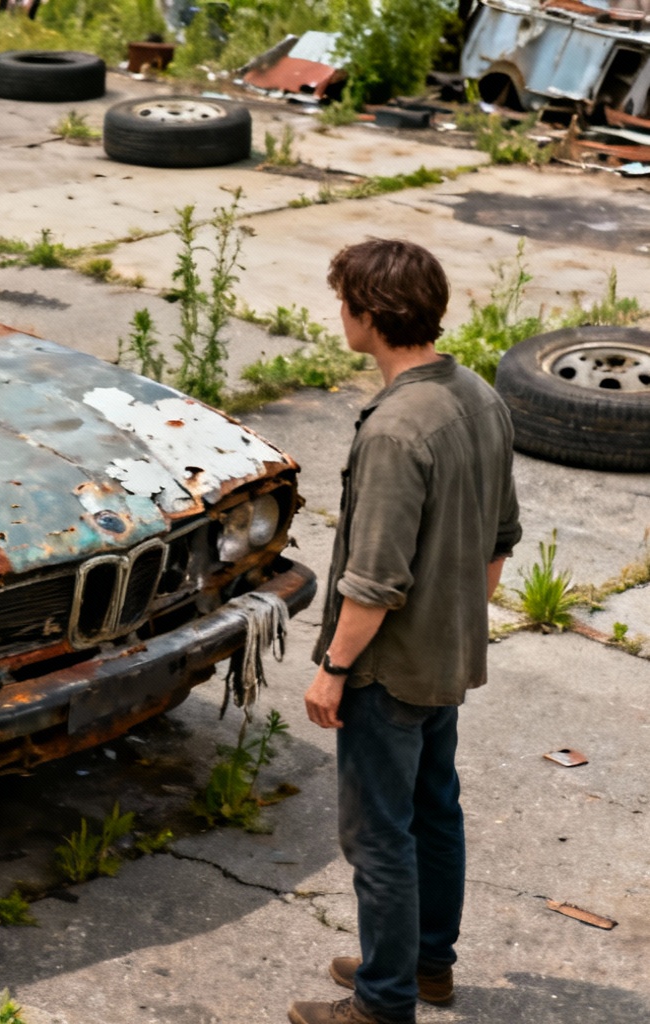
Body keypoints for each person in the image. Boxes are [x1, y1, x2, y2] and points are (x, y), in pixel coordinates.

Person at [288, 240, 521, 1024]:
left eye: (345, 301)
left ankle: (382, 1003)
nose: (341, 314)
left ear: (371, 316)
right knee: (435, 812)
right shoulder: (480, 396)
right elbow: (499, 539)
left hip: (387, 671)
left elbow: (374, 580)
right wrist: (455, 626)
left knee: (379, 836)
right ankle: (424, 965)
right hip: (447, 657)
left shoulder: (395, 429)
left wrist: (332, 668)